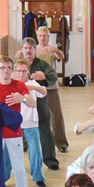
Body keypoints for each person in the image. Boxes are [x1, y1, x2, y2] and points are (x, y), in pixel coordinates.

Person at [0, 56, 34, 187]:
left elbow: (32, 103)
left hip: (13, 133)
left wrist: (22, 98)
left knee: (19, 169)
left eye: (9, 68)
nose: (6, 71)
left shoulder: (19, 85)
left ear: (12, 70)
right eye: (3, 68)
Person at [20, 37, 62, 169]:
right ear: (22, 50)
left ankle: (51, 161)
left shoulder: (42, 64)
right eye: (26, 48)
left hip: (39, 104)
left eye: (30, 48)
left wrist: (44, 76)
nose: (28, 51)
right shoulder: (18, 65)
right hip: (20, 105)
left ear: (35, 50)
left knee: (45, 131)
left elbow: (54, 76)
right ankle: (15, 164)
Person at [33, 27, 70, 157]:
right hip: (36, 88)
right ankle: (28, 143)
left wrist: (55, 50)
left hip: (52, 88)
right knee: (32, 116)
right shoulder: (33, 50)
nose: (42, 38)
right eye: (40, 36)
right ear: (37, 36)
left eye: (45, 36)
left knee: (56, 116)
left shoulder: (52, 50)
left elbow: (62, 56)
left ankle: (61, 143)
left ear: (48, 37)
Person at [12, 59, 47, 187]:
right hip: (13, 123)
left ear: (28, 72)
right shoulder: (11, 84)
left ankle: (38, 177)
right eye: (19, 71)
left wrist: (33, 87)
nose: (21, 74)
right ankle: (2, 177)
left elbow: (44, 92)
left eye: (24, 71)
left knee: (35, 151)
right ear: (14, 72)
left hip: (30, 123)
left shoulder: (32, 83)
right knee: (6, 152)